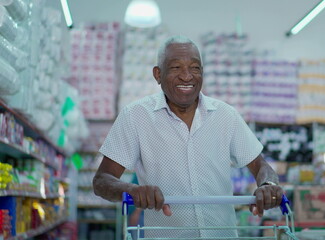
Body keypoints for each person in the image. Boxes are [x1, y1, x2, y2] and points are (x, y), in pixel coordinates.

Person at [93, 35, 284, 238]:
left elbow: (261, 167)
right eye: (176, 68)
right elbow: (102, 180)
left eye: (195, 68)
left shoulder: (225, 115)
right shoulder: (135, 116)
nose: (187, 76)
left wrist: (268, 186)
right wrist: (131, 190)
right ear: (158, 74)